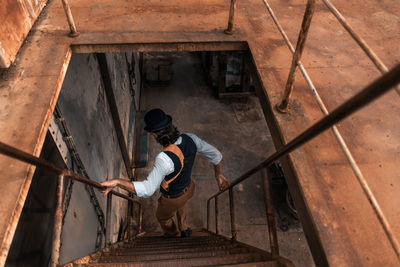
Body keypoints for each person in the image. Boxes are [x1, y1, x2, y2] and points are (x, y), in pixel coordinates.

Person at [99, 108, 229, 237]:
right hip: (189, 188)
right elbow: (216, 155)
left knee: (162, 217)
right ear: (170, 126)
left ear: (154, 134)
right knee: (182, 203)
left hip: (172, 198)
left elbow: (147, 189)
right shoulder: (191, 138)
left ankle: (173, 233)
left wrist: (117, 182)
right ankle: (184, 227)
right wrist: (218, 174)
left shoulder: (164, 159)